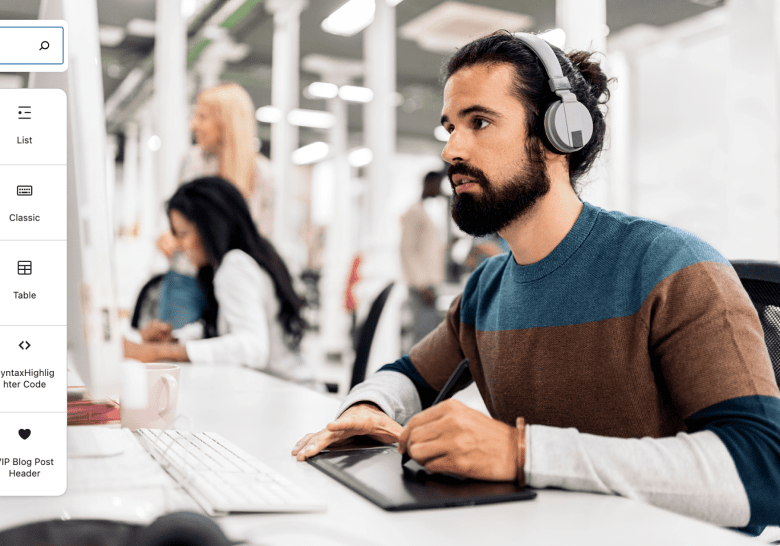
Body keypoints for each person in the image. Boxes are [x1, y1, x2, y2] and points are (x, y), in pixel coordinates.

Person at [291, 31, 780, 534]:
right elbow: (410, 375)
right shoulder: (488, 287)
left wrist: (520, 452)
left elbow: (763, 471)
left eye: (479, 122)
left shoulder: (670, 267)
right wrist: (369, 408)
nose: (452, 149)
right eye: (449, 128)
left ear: (560, 134)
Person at [126, 177, 308, 383]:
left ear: (209, 226)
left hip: (288, 394)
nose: (179, 245)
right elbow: (225, 327)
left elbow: (253, 348)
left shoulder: (235, 265)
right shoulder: (249, 257)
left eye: (183, 234)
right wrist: (176, 339)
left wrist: (165, 352)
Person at [156, 82, 274, 329]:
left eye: (202, 116)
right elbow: (180, 220)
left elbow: (258, 238)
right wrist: (172, 236)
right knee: (175, 353)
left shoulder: (261, 174)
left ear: (227, 122)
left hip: (234, 286)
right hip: (186, 280)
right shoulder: (191, 162)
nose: (193, 125)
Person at [400, 170, 447, 344]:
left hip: (430, 285)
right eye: (438, 184)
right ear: (429, 184)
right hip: (422, 287)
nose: (440, 189)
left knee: (430, 335)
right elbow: (407, 250)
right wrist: (421, 285)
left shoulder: (426, 211)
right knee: (423, 338)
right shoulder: (414, 213)